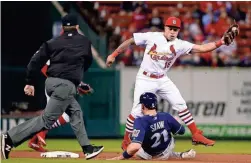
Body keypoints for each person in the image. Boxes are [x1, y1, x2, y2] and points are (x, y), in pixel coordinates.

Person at [106, 16, 239, 150]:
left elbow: (202, 48)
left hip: (162, 78)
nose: (172, 32)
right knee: (136, 112)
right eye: (170, 28)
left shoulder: (180, 44)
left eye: (175, 29)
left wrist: (221, 42)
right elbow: (130, 41)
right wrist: (114, 54)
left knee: (180, 103)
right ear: (165, 28)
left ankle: (196, 134)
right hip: (145, 78)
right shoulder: (152, 36)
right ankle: (126, 140)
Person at [1, 14, 104, 160]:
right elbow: (86, 62)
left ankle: (87, 149)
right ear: (77, 27)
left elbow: (35, 61)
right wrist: (77, 80)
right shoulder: (84, 41)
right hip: (65, 85)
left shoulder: (53, 42)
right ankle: (10, 137)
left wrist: (29, 81)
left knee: (75, 113)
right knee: (46, 120)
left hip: (50, 82)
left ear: (62, 27)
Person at [108, 92, 196, 160]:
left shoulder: (140, 121)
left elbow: (135, 146)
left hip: (147, 155)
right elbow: (182, 131)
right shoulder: (166, 116)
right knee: (169, 134)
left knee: (132, 137)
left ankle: (161, 156)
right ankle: (179, 155)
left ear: (143, 106)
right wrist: (175, 124)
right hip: (167, 149)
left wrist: (121, 157)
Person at [28, 61, 93, 152]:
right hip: (54, 87)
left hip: (60, 87)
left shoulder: (71, 56)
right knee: (65, 116)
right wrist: (57, 81)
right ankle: (39, 132)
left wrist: (80, 85)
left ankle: (34, 141)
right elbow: (44, 69)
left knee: (64, 116)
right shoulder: (59, 50)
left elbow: (68, 75)